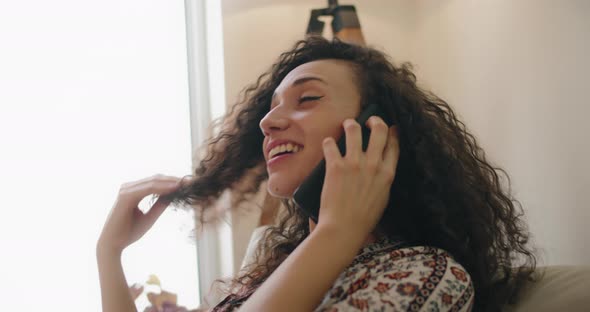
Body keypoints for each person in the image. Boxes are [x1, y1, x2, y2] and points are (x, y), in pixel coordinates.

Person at [97, 37, 537, 312]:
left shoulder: (430, 275)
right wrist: (110, 254)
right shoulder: (271, 269)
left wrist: (337, 232)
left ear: (376, 133)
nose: (268, 124)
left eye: (307, 99)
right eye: (270, 109)